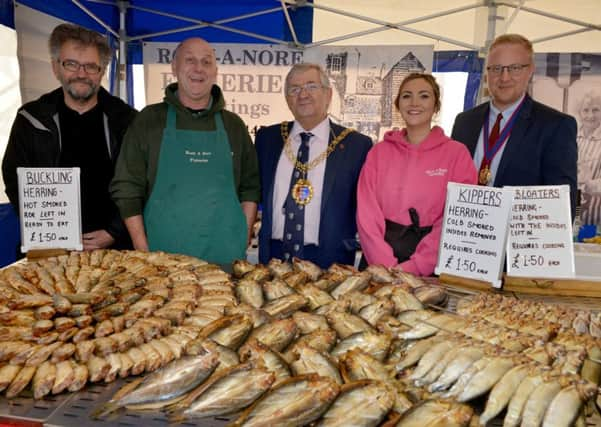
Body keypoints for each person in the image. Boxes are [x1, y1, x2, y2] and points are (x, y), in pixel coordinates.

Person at [110, 37, 260, 264]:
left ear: (215, 71)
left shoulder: (233, 126)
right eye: (190, 60)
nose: (198, 68)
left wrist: (242, 236)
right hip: (163, 262)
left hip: (225, 259)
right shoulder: (149, 120)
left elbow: (250, 188)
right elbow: (126, 188)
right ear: (174, 67)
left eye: (206, 62)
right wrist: (143, 250)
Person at [2, 23, 136, 250]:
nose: (81, 74)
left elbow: (140, 182)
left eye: (91, 66)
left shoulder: (127, 121)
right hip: (50, 248)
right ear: (56, 67)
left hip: (114, 248)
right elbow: (14, 178)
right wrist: (49, 229)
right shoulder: (31, 118)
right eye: (71, 64)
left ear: (102, 71)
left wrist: (114, 231)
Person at [357, 73, 477, 276]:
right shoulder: (379, 152)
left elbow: (457, 218)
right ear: (397, 104)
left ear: (436, 105)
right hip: (379, 265)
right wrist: (385, 266)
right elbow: (366, 214)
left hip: (433, 264)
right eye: (406, 96)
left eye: (424, 96)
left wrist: (417, 266)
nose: (414, 103)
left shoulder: (457, 154)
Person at [255, 63, 372, 268]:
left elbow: (368, 207)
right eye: (294, 89)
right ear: (287, 99)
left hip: (330, 263)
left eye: (311, 86)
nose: (303, 94)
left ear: (328, 94)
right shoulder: (267, 139)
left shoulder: (357, 145)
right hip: (274, 260)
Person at [451, 33, 578, 216]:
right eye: (496, 69)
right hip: (467, 236)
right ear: (487, 73)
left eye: (515, 68)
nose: (504, 77)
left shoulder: (556, 126)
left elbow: (562, 205)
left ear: (530, 70)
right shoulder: (464, 122)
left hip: (519, 241)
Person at [576, 91, 601, 226]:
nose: (590, 115)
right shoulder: (569, 136)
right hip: (568, 217)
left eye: (596, 110)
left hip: (596, 219)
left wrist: (588, 184)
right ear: (579, 112)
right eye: (586, 110)